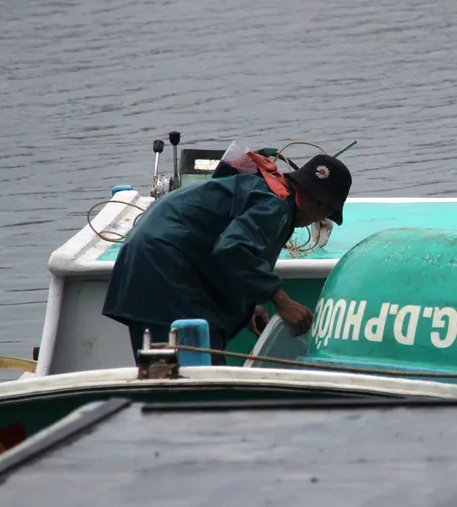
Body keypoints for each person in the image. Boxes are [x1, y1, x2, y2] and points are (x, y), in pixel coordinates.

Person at [102, 150, 352, 364]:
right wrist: (281, 301)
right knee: (196, 373)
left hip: (146, 262)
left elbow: (216, 243)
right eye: (324, 215)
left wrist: (247, 304)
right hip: (165, 269)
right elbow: (233, 248)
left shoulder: (261, 189)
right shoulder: (275, 205)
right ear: (319, 205)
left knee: (161, 371)